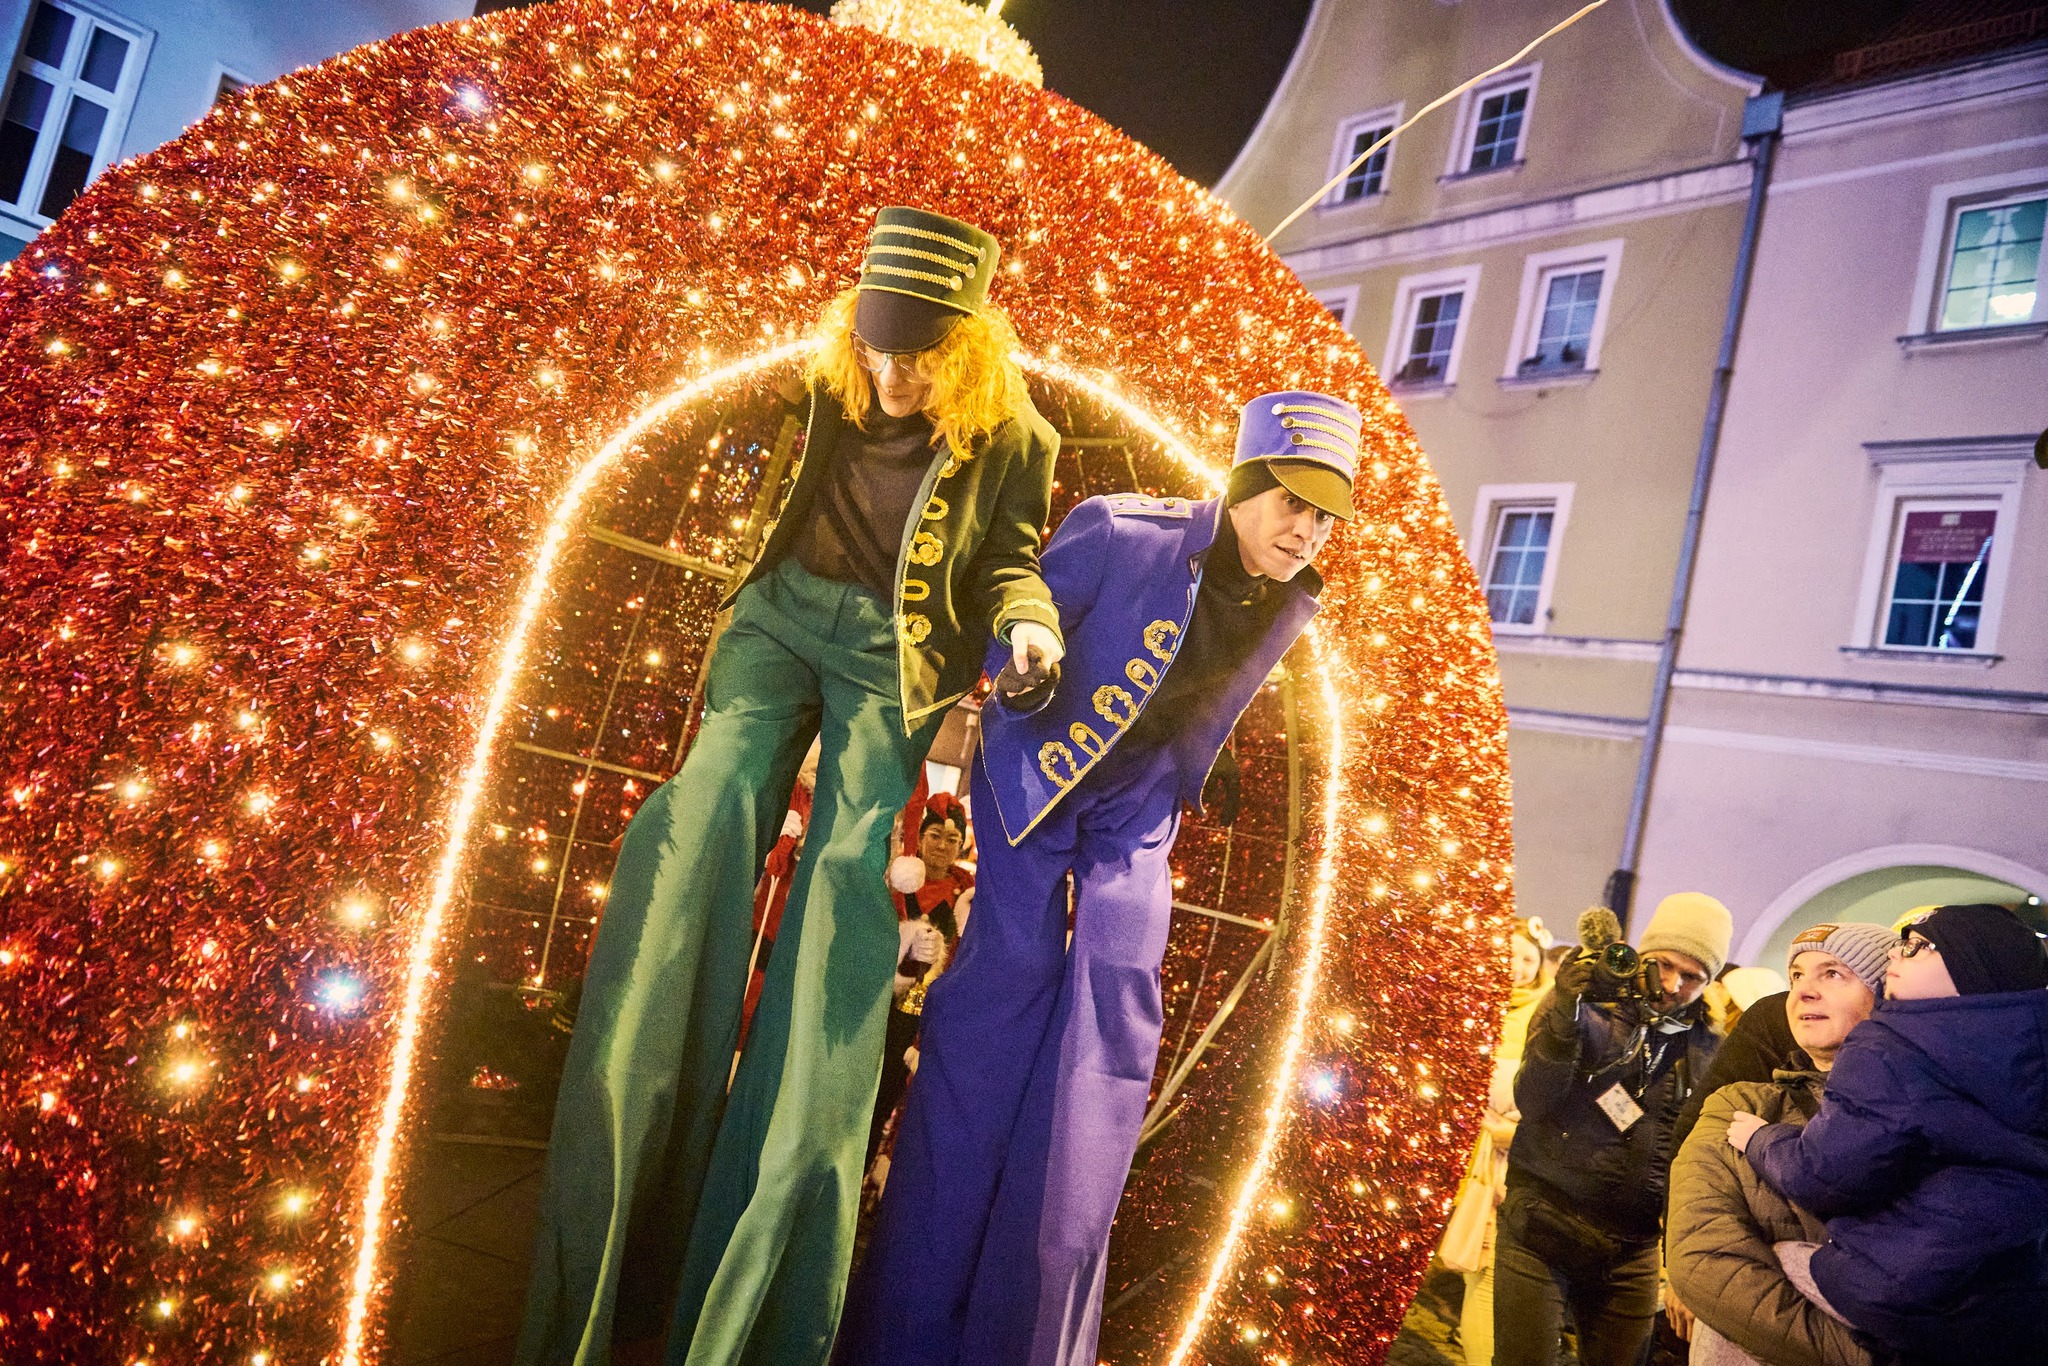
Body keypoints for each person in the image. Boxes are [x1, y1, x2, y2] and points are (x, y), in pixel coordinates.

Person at [517, 206, 1066, 1366]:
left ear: (967, 341)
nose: (893, 372)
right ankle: (609, 1223)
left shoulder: (1016, 432)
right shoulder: (828, 374)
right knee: (699, 814)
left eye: (919, 352)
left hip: (892, 656)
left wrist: (1027, 622)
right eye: (877, 343)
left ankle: (755, 1293)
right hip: (776, 616)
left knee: (845, 893)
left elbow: (1011, 553)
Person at [835, 390, 1361, 1366]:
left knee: (1109, 1024)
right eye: (1292, 501)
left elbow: (1196, 679)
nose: (1306, 530)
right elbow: (1006, 630)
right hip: (1038, 779)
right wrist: (1021, 661)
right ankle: (905, 1331)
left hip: (1136, 807)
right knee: (996, 1013)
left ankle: (1027, 1342)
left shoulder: (1291, 595)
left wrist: (1204, 754)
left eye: (1325, 516)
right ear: (1245, 483)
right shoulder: (1121, 529)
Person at [1725, 904, 2048, 1365]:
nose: (1898, 953)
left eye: (1918, 946)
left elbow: (1823, 1174)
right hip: (2016, 1302)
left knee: (1756, 1276)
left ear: (1968, 965)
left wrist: (1763, 1139)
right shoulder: (2028, 1052)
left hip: (1908, 1284)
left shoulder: (1891, 1050)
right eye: (1795, 976)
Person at [1493, 894, 1733, 1366]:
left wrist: (1682, 1261)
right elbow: (1534, 1099)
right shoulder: (1588, 1004)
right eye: (1664, 964)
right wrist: (1565, 1016)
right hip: (1543, 1224)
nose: (1673, 985)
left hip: (1631, 1248)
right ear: (1641, 954)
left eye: (1692, 977)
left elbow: (1697, 1160)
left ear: (1709, 983)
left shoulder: (1708, 1046)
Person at [1667, 922, 1894, 1366]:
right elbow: (1703, 1257)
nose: (1803, 991)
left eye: (1833, 974)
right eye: (1796, 975)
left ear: (1884, 996)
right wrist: (1856, 1356)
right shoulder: (1739, 1106)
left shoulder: (1926, 1113)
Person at [1440, 918, 1553, 1366]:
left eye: (1529, 959)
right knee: (1479, 1276)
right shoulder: (1472, 1002)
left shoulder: (1544, 1015)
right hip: (1469, 1158)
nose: (1518, 967)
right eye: (1512, 954)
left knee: (1488, 1279)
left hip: (1504, 1163)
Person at [866, 792, 976, 1166]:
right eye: (935, 836)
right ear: (921, 837)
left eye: (952, 839)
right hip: (880, 1003)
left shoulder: (968, 895)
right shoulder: (894, 881)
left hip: (925, 1018)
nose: (943, 846)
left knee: (893, 1097)